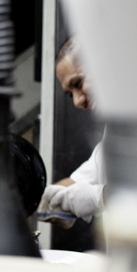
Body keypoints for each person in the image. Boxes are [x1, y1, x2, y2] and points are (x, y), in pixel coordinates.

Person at [37, 37, 105, 228]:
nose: (77, 101)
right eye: (70, 93)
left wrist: (98, 197)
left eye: (78, 83)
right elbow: (76, 183)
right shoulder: (114, 135)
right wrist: (29, 200)